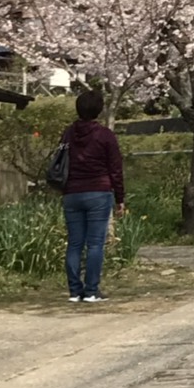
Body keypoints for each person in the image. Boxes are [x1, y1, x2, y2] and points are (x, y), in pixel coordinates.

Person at [58, 88, 125, 304]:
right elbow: (115, 168)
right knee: (95, 243)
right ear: (99, 110)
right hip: (98, 191)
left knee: (75, 243)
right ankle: (92, 291)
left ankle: (74, 291)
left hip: (71, 193)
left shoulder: (68, 133)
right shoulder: (105, 135)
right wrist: (120, 199)